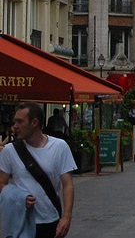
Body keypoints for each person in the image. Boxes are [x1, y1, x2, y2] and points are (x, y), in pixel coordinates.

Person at [0, 102, 77, 238]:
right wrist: (18, 197)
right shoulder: (9, 151)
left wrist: (66, 217)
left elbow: (67, 184)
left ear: (34, 122)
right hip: (21, 219)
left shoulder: (59, 147)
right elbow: (1, 183)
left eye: (20, 122)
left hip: (50, 219)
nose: (15, 126)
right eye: (14, 122)